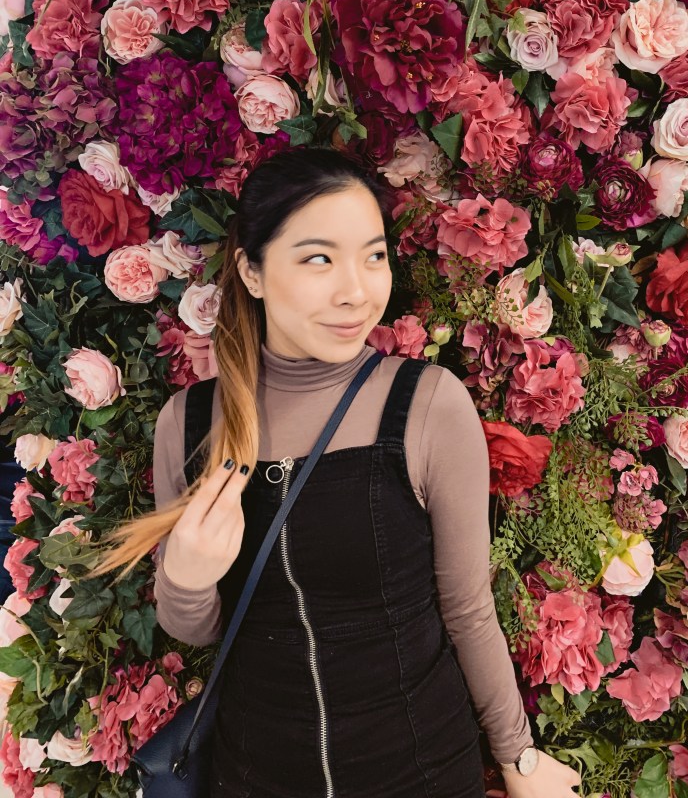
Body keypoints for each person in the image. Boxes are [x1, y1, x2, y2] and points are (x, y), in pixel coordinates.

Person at [100, 147, 582, 798]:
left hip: (424, 773)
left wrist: (519, 757)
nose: (356, 290)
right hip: (255, 776)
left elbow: (468, 607)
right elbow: (200, 629)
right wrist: (185, 578)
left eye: (373, 256)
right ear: (251, 272)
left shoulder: (427, 404)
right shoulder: (187, 426)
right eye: (318, 259)